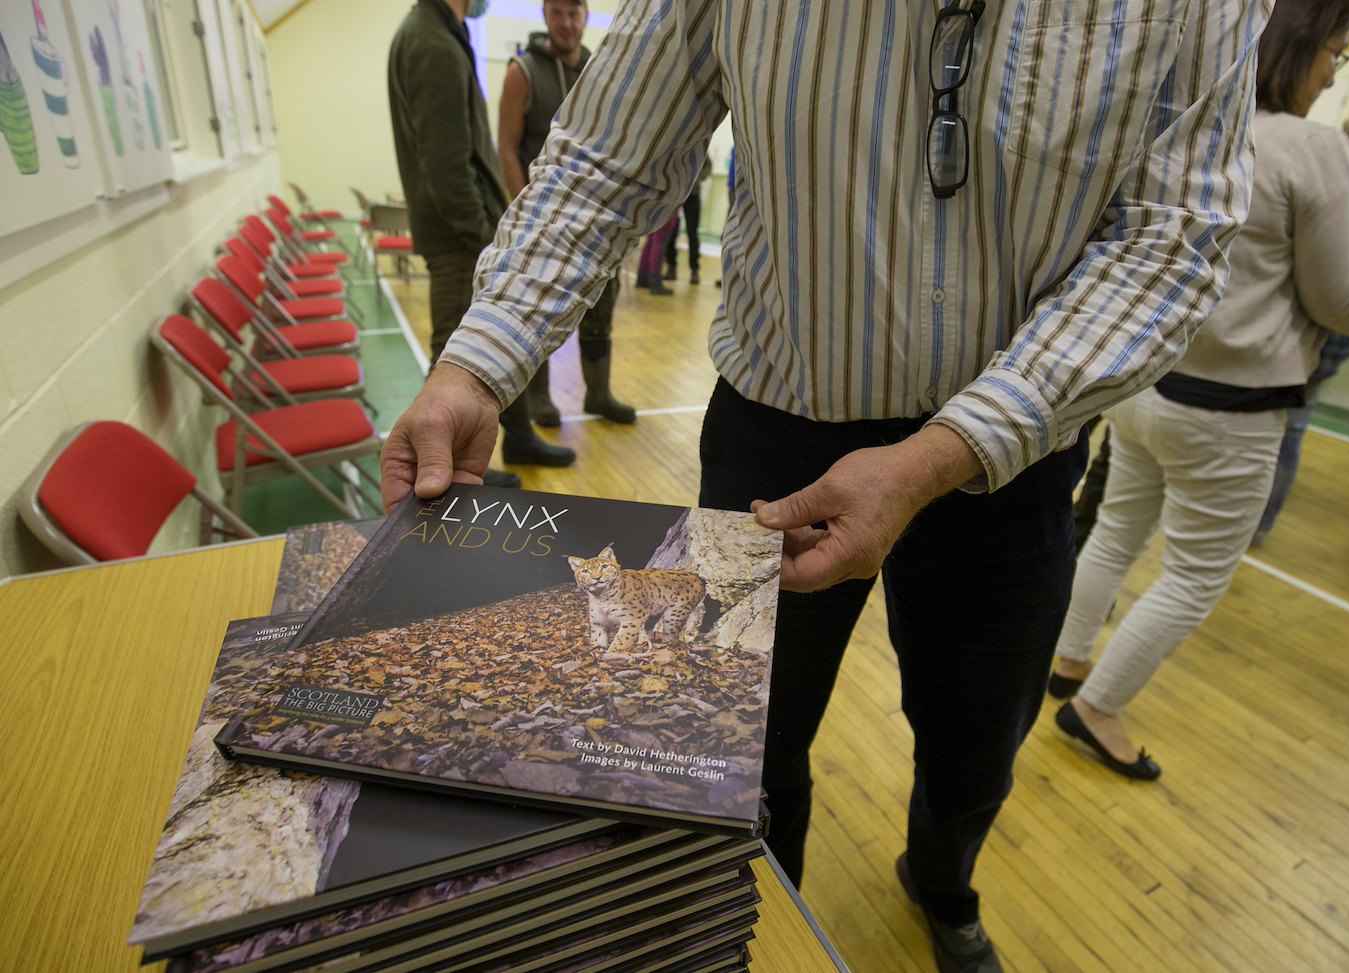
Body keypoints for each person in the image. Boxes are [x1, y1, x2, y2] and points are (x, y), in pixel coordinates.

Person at [381, 2, 1270, 970]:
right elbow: (605, 159)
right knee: (738, 743)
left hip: (1009, 457)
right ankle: (761, 920)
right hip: (776, 433)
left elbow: (1169, 236)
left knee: (976, 743)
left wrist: (946, 448)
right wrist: (478, 363)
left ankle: (941, 882)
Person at [1046, 0, 1349, 783]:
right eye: (1337, 53)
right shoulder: (1314, 146)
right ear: (1305, 51)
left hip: (1147, 386)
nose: (1335, 69)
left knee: (1113, 532)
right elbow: (1339, 300)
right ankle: (1096, 707)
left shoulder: (1190, 119)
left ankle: (1067, 661)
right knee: (1195, 574)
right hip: (1233, 409)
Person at [387, 0, 574, 473]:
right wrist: (479, 237)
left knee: (473, 345)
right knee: (454, 348)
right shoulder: (433, 44)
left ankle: (518, 438)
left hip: (458, 231)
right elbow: (447, 165)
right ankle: (448, 467)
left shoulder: (438, 33)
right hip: (458, 237)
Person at [1252, 100, 1349, 544]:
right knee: (1288, 434)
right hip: (1326, 340)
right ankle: (1257, 527)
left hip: (1273, 335)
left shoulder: (1311, 173)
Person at [498, 0, 636, 426]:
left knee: (599, 310)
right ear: (545, 16)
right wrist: (526, 216)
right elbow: (506, 147)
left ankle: (598, 394)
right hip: (541, 224)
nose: (567, 23)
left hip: (594, 221)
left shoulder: (599, 70)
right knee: (537, 315)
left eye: (574, 13)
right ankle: (539, 398)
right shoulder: (521, 72)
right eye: (558, 13)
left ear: (585, 16)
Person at [664, 159, 711, 284]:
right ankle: (671, 267)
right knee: (671, 231)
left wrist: (700, 177)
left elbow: (708, 164)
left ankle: (694, 270)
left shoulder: (701, 145)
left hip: (693, 196)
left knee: (692, 233)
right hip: (676, 194)